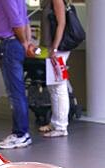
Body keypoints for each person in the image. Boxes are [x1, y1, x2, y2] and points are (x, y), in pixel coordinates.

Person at [0, 0, 35, 149]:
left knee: (15, 92)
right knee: (17, 90)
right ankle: (21, 133)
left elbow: (16, 20)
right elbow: (24, 19)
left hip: (9, 44)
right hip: (13, 43)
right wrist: (27, 42)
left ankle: (20, 134)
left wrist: (24, 42)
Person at [39, 0, 68, 137]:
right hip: (51, 48)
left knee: (59, 86)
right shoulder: (46, 2)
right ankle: (55, 122)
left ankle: (61, 126)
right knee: (53, 87)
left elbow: (61, 23)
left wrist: (55, 47)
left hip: (58, 48)